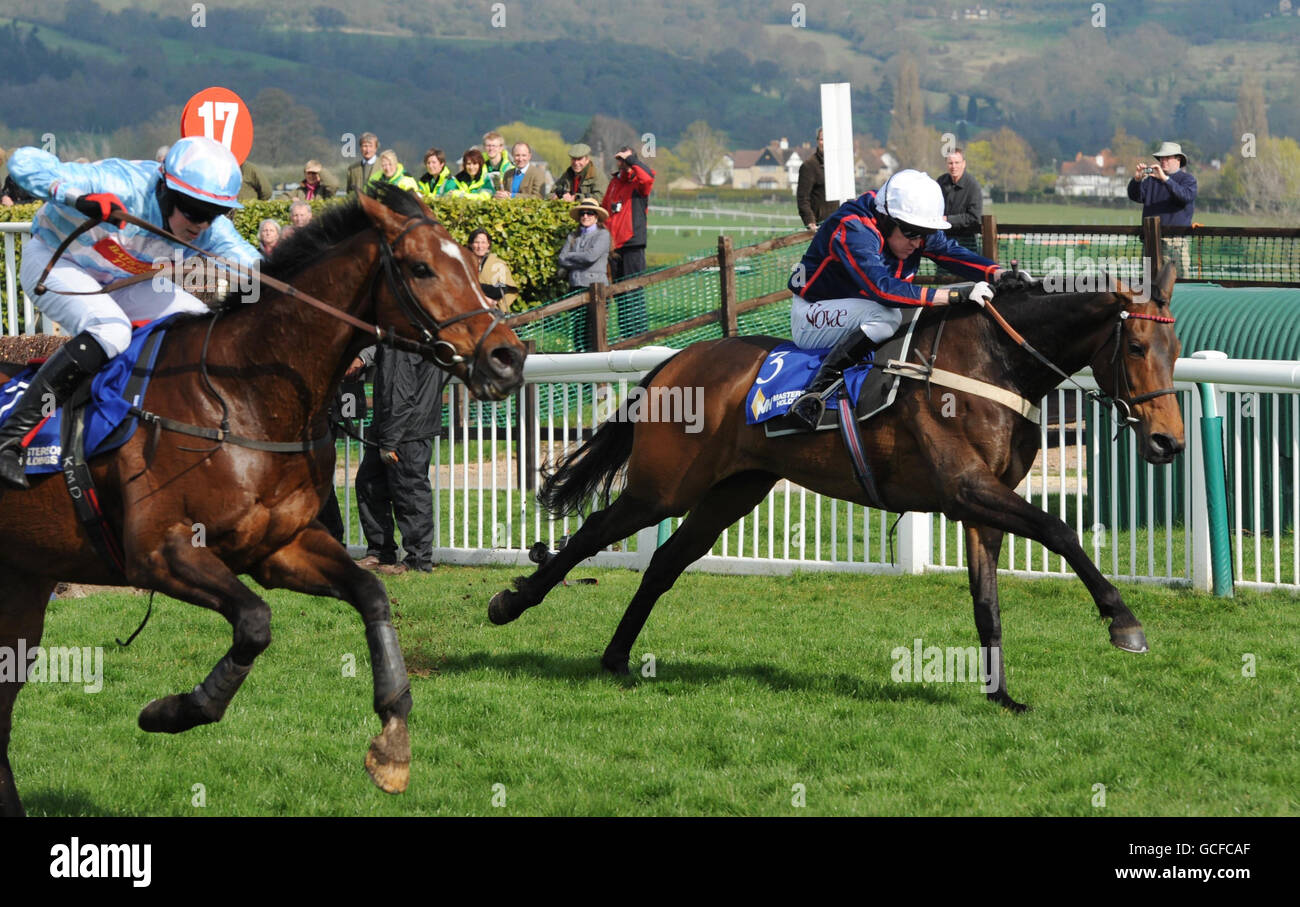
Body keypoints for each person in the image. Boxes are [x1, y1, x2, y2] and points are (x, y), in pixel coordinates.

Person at [0, 135, 260, 487]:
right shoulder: (119, 183)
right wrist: (78, 198)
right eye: (193, 211)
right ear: (167, 191)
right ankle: (11, 438)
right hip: (55, 261)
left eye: (213, 214)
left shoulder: (212, 231)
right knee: (112, 330)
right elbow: (23, 164)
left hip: (124, 280)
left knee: (197, 324)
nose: (201, 225)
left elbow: (256, 266)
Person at [785, 168, 1026, 430]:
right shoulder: (853, 228)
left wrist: (997, 274)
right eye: (912, 233)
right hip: (813, 315)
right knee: (888, 316)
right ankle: (816, 392)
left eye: (923, 234)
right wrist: (955, 294)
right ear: (887, 220)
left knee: (912, 316)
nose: (918, 242)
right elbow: (883, 290)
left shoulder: (910, 227)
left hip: (861, 311)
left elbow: (951, 253)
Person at [354, 342, 445, 575]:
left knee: (410, 494)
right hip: (393, 426)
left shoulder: (404, 335)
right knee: (368, 484)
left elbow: (400, 392)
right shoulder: (400, 332)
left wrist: (390, 442)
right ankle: (380, 553)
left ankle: (418, 561)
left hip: (405, 429)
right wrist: (364, 356)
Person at [600, 146, 655, 338]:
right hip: (614, 246)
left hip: (633, 243)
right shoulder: (614, 183)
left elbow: (648, 178)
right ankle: (626, 334)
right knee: (619, 293)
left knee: (633, 290)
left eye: (625, 160)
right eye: (620, 160)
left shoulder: (639, 183)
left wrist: (631, 160)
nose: (621, 163)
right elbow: (605, 208)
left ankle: (639, 334)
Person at [1128, 140, 1197, 275]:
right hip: (1151, 240)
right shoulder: (1151, 181)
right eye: (1161, 158)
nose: (1163, 161)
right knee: (1150, 284)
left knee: (1179, 283)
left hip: (1175, 243)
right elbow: (1135, 196)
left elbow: (1185, 197)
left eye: (1167, 157)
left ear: (1178, 160)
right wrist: (1136, 180)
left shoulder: (1187, 180)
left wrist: (1165, 179)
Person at [557, 197, 610, 290]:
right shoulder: (572, 236)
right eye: (582, 213)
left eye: (590, 213)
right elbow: (561, 258)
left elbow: (590, 257)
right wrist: (582, 264)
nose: (585, 216)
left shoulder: (603, 234)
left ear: (596, 217)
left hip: (596, 288)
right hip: (574, 285)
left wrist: (570, 255)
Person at [937, 147, 982, 250]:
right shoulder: (940, 182)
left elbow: (974, 217)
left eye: (957, 163)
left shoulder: (973, 185)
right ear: (946, 164)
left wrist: (947, 219)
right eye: (950, 163)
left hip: (966, 244)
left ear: (964, 164)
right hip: (943, 242)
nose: (954, 166)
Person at [467, 229, 519, 311]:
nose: (480, 246)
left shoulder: (498, 265)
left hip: (492, 311)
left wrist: (474, 288)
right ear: (470, 244)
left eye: (483, 242)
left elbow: (502, 288)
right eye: (476, 242)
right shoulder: (464, 264)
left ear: (488, 245)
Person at [796, 128, 836, 229]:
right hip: (822, 227)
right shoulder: (809, 166)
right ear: (817, 141)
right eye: (822, 139)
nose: (825, 143)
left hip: (844, 224)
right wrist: (810, 222)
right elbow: (803, 199)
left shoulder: (841, 165)